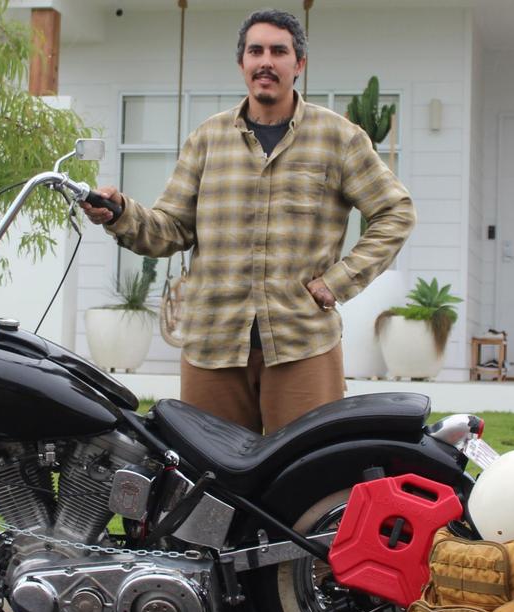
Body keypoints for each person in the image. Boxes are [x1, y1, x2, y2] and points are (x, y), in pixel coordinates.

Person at [83, 9, 416, 436]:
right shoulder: (207, 139)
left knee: (305, 478)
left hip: (302, 345)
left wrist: (339, 280)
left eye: (279, 51)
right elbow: (171, 228)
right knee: (209, 482)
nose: (266, 61)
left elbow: (396, 211)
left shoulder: (339, 138)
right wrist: (121, 214)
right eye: (255, 50)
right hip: (212, 345)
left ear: (299, 65)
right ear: (242, 63)